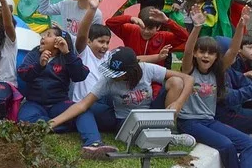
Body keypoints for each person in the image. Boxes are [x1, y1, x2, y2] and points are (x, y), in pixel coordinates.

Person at [177, 5, 252, 168]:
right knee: (227, 145)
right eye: (202, 52)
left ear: (215, 58)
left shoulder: (217, 72)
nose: (206, 56)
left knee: (248, 143)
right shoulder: (189, 70)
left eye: (211, 53)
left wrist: (241, 26)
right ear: (196, 54)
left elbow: (232, 51)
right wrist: (197, 27)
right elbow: (186, 51)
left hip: (209, 120)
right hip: (189, 122)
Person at [48, 46, 196, 145]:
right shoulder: (108, 80)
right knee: (89, 111)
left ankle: (166, 131)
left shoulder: (147, 69)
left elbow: (188, 79)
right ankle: (163, 139)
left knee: (176, 81)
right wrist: (53, 122)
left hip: (150, 112)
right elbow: (83, 104)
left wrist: (178, 103)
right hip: (124, 120)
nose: (114, 77)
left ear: (130, 71)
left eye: (118, 74)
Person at [17, 24, 117, 157]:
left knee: (82, 111)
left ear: (58, 42)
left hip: (59, 103)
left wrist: (67, 53)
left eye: (48, 35)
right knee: (24, 121)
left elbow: (80, 75)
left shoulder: (66, 57)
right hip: (35, 103)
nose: (42, 37)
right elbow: (23, 74)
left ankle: (94, 143)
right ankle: (59, 124)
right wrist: (39, 65)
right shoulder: (35, 53)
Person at [71, 0, 116, 131]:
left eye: (107, 42)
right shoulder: (84, 53)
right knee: (112, 119)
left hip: (103, 100)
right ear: (89, 41)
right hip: (84, 102)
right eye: (101, 41)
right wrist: (92, 9)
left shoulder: (108, 56)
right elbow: (82, 33)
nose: (105, 46)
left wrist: (157, 57)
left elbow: (133, 59)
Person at [106, 5, 189, 76]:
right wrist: (130, 18)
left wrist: (168, 21)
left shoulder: (164, 37)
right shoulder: (131, 31)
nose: (146, 31)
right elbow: (110, 23)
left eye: (150, 28)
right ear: (138, 23)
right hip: (132, 75)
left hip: (154, 77)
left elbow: (185, 37)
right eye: (143, 27)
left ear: (158, 27)